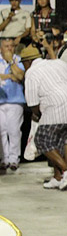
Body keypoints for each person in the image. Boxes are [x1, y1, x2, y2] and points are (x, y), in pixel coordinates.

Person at [21, 45, 67, 190]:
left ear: (27, 62)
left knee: (42, 140)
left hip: (56, 106)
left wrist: (38, 115)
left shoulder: (31, 72)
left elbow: (33, 104)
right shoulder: (57, 62)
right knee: (56, 142)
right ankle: (58, 177)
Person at [0, 38, 25, 171]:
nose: (9, 48)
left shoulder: (18, 60)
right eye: (6, 46)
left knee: (14, 130)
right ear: (1, 48)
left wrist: (11, 62)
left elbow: (20, 76)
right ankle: (4, 158)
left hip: (16, 100)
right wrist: (9, 76)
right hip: (0, 101)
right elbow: (13, 77)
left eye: (11, 46)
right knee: (2, 131)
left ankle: (14, 158)